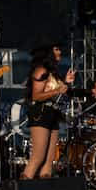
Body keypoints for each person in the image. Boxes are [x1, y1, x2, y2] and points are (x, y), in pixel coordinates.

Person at [21, 45, 75, 179]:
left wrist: (65, 83)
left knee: (49, 160)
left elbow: (55, 93)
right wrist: (58, 90)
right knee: (38, 157)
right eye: (56, 49)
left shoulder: (53, 73)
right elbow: (36, 96)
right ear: (49, 53)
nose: (60, 51)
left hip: (53, 114)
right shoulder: (40, 70)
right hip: (40, 114)